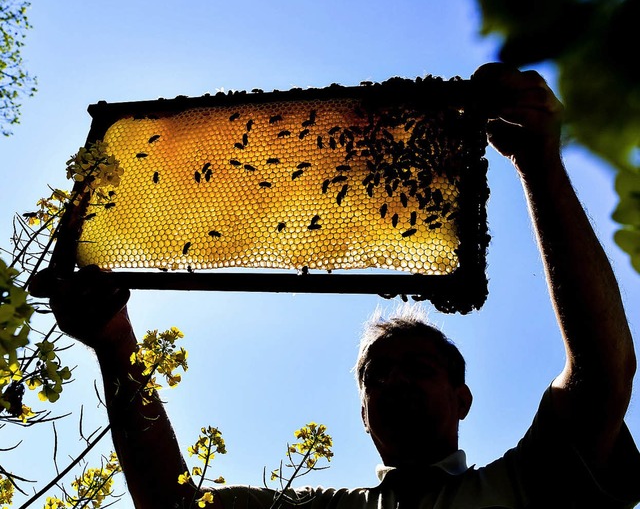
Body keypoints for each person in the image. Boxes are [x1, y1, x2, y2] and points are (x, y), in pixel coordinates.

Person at [35, 63, 640, 508]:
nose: (396, 382)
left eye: (420, 370)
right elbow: (173, 507)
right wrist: (116, 345)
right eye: (379, 375)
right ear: (363, 412)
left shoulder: (522, 487)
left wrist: (540, 164)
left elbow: (604, 375)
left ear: (463, 400)